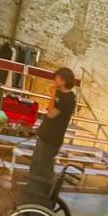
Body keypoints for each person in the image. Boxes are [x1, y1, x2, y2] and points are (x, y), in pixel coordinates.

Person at [22, 67, 76, 203]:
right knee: (36, 165)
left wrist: (53, 95)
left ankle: (41, 197)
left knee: (44, 169)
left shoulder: (69, 99)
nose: (54, 81)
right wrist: (54, 93)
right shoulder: (61, 94)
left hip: (51, 139)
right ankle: (31, 192)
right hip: (44, 136)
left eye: (56, 78)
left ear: (63, 81)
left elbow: (51, 113)